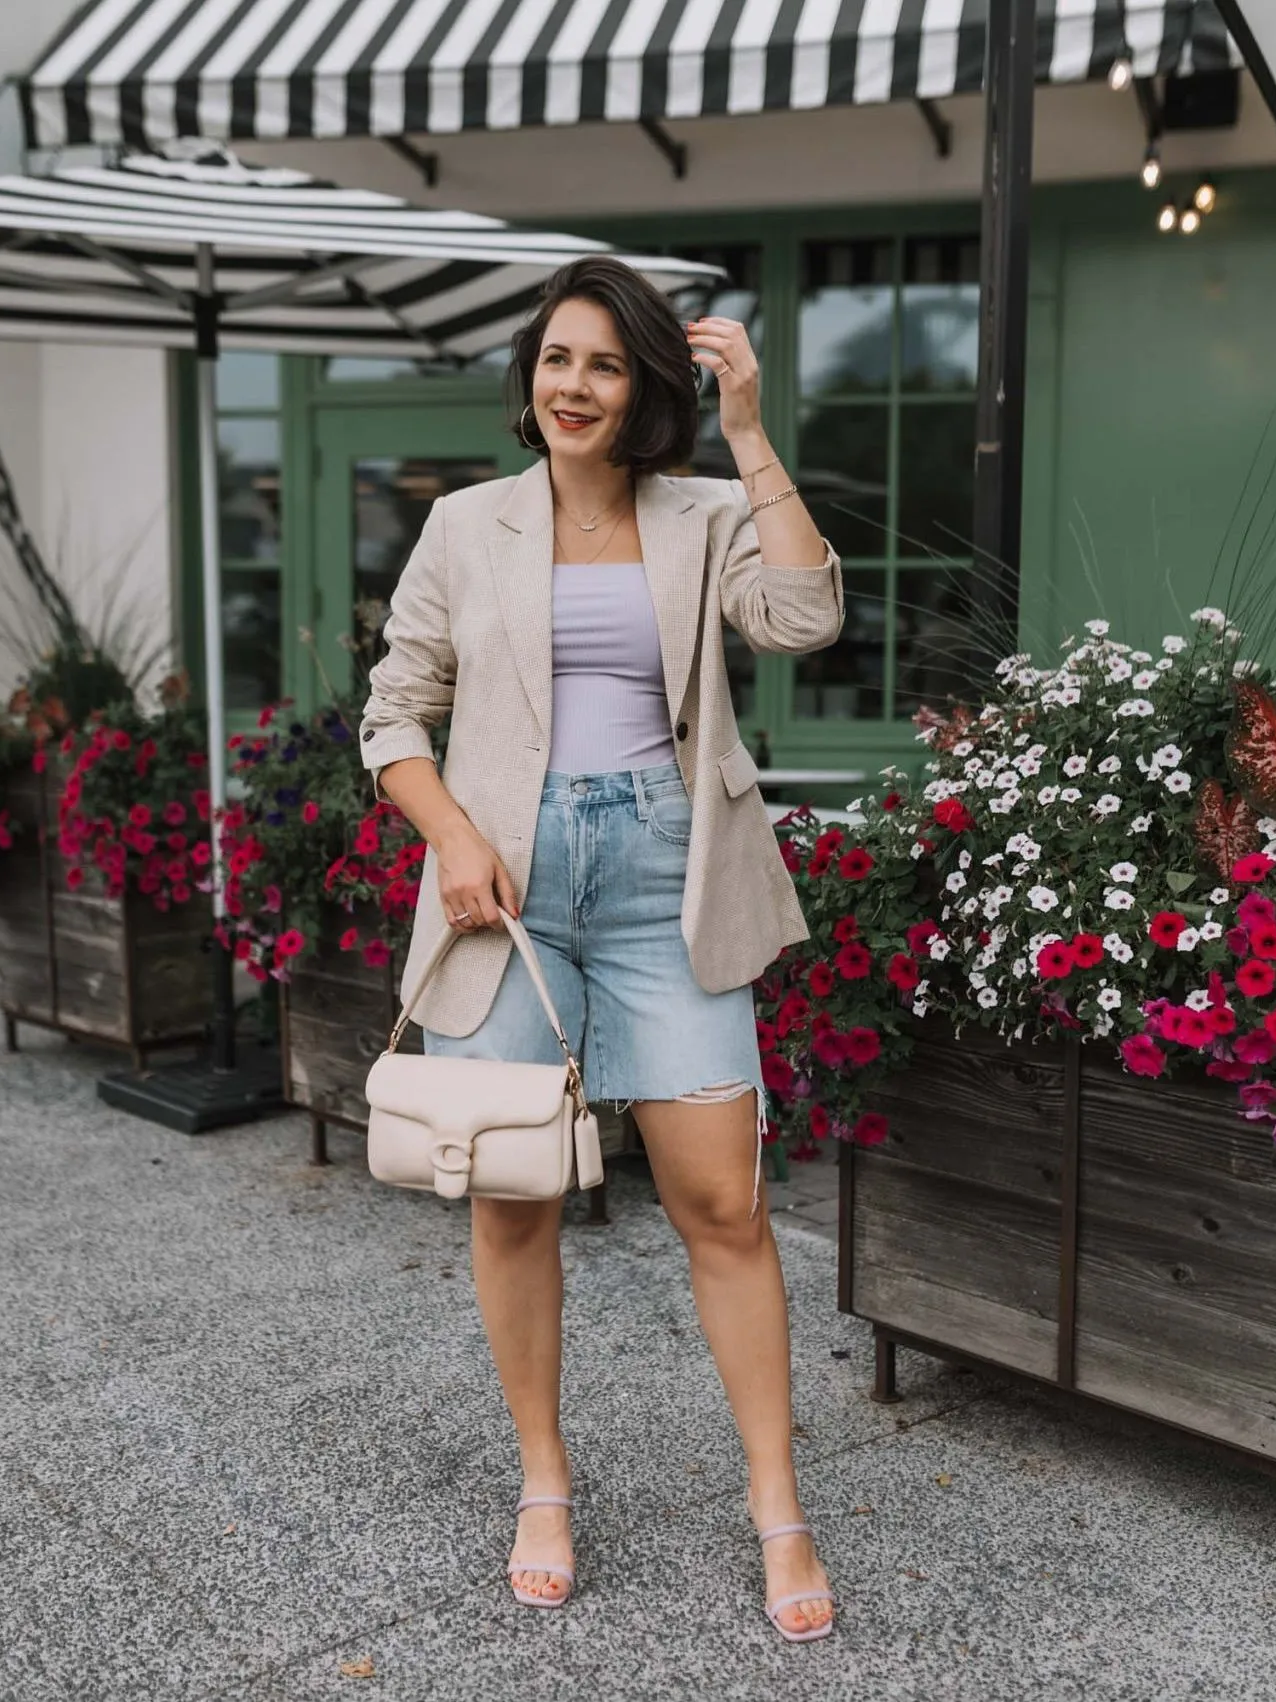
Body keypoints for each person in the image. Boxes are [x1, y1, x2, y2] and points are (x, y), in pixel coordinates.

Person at [359, 255, 845, 1643]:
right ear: (530, 376)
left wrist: (749, 432)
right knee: (512, 1197)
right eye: (557, 359)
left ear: (644, 389)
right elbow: (393, 711)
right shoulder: (466, 525)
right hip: (505, 894)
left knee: (724, 1206)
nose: (575, 385)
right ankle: (544, 1480)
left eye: (607, 365)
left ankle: (776, 1504)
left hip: (663, 880)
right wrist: (453, 835)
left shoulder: (703, 513)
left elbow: (805, 617)